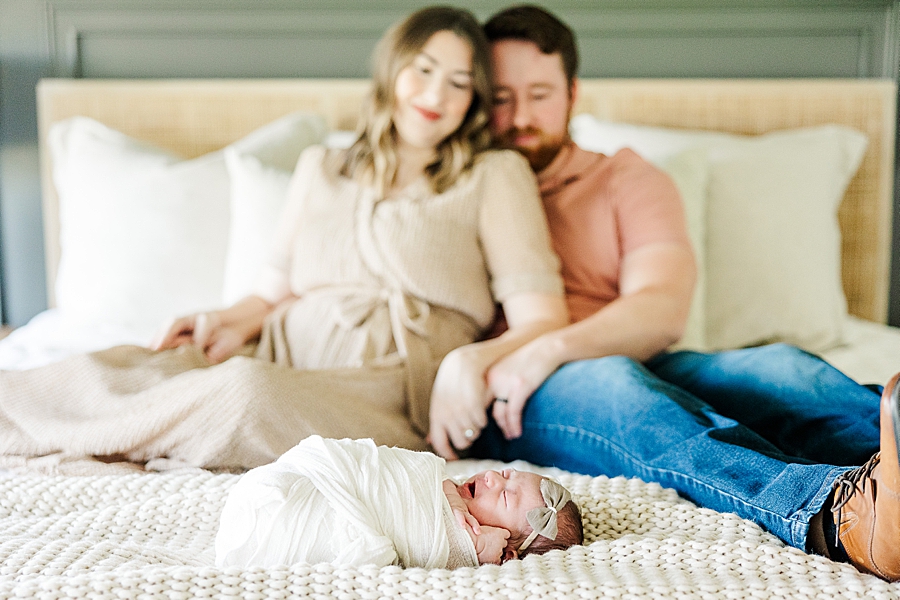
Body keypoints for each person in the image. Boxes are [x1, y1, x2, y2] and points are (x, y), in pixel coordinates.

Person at [427, 4, 900, 582]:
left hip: (622, 359)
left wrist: (545, 350)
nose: (520, 115)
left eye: (540, 93)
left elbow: (660, 308)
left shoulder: (629, 180)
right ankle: (836, 515)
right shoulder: (456, 189)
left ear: (572, 94)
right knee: (615, 384)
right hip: (515, 399)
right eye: (501, 97)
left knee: (781, 371)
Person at [0, 6, 567, 474]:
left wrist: (466, 363)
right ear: (393, 68)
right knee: (121, 367)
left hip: (391, 390)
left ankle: (107, 437)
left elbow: (542, 319)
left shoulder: (494, 176)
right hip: (281, 348)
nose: (435, 94)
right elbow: (268, 296)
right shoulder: (321, 167)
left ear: (473, 100)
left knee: (245, 396)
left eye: (460, 83)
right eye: (423, 69)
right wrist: (220, 320)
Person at [215, 435, 583, 569]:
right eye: (505, 474)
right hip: (296, 485)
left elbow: (429, 546)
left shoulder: (470, 540)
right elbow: (392, 474)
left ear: (508, 552)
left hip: (308, 521)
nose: (490, 477)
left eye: (503, 495)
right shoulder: (438, 485)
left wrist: (478, 549)